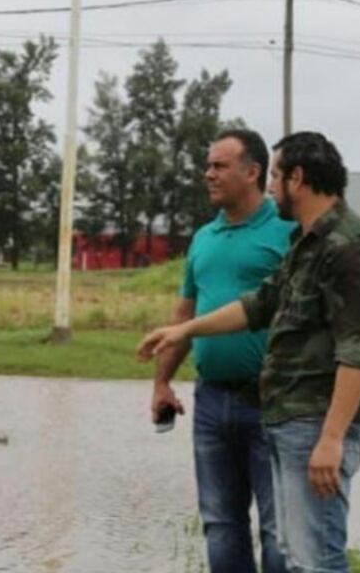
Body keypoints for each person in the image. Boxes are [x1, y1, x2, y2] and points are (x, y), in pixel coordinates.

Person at [138, 131, 360, 573]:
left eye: (276, 175)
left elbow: (359, 351)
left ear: (298, 178)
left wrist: (331, 439)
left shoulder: (351, 247)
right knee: (299, 558)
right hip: (288, 416)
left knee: (318, 561)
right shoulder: (306, 244)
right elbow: (259, 304)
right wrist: (184, 330)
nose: (272, 186)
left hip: (316, 422)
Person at [142, 129, 292, 572]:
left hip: (272, 400)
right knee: (220, 523)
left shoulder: (287, 232)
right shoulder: (204, 238)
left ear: (253, 172)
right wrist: (162, 381)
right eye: (208, 165)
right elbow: (184, 315)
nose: (209, 174)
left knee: (278, 528)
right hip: (210, 401)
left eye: (219, 166)